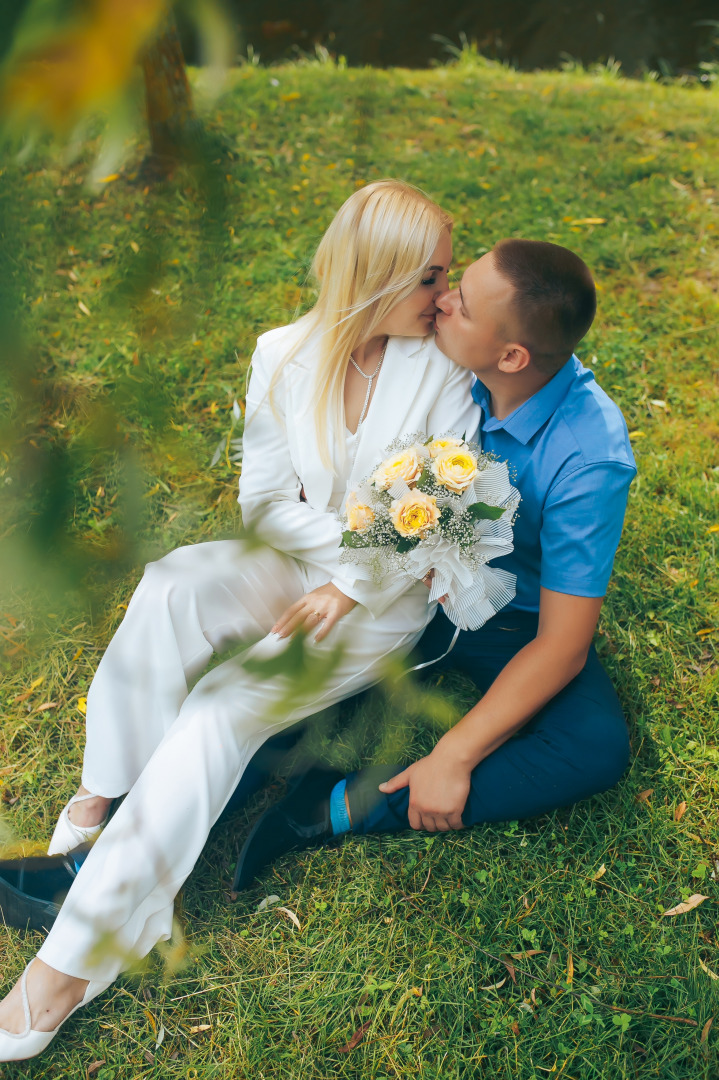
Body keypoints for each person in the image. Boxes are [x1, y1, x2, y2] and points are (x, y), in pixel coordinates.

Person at [0, 179, 481, 1062]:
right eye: (429, 279)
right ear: (373, 277)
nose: (445, 299)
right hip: (308, 561)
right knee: (175, 582)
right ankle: (106, 789)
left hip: (385, 598)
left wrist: (357, 577)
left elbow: (443, 512)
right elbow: (262, 502)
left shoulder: (447, 370)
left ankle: (75, 959)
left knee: (223, 705)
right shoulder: (283, 352)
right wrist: (348, 546)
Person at [230, 237, 637, 887]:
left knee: (591, 748)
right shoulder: (448, 364)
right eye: (453, 286)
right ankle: (193, 788)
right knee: (274, 691)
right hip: (398, 583)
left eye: (462, 305)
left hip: (509, 618)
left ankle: (331, 807)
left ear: (510, 355)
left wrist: (456, 752)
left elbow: (562, 646)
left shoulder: (589, 457)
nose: (439, 302)